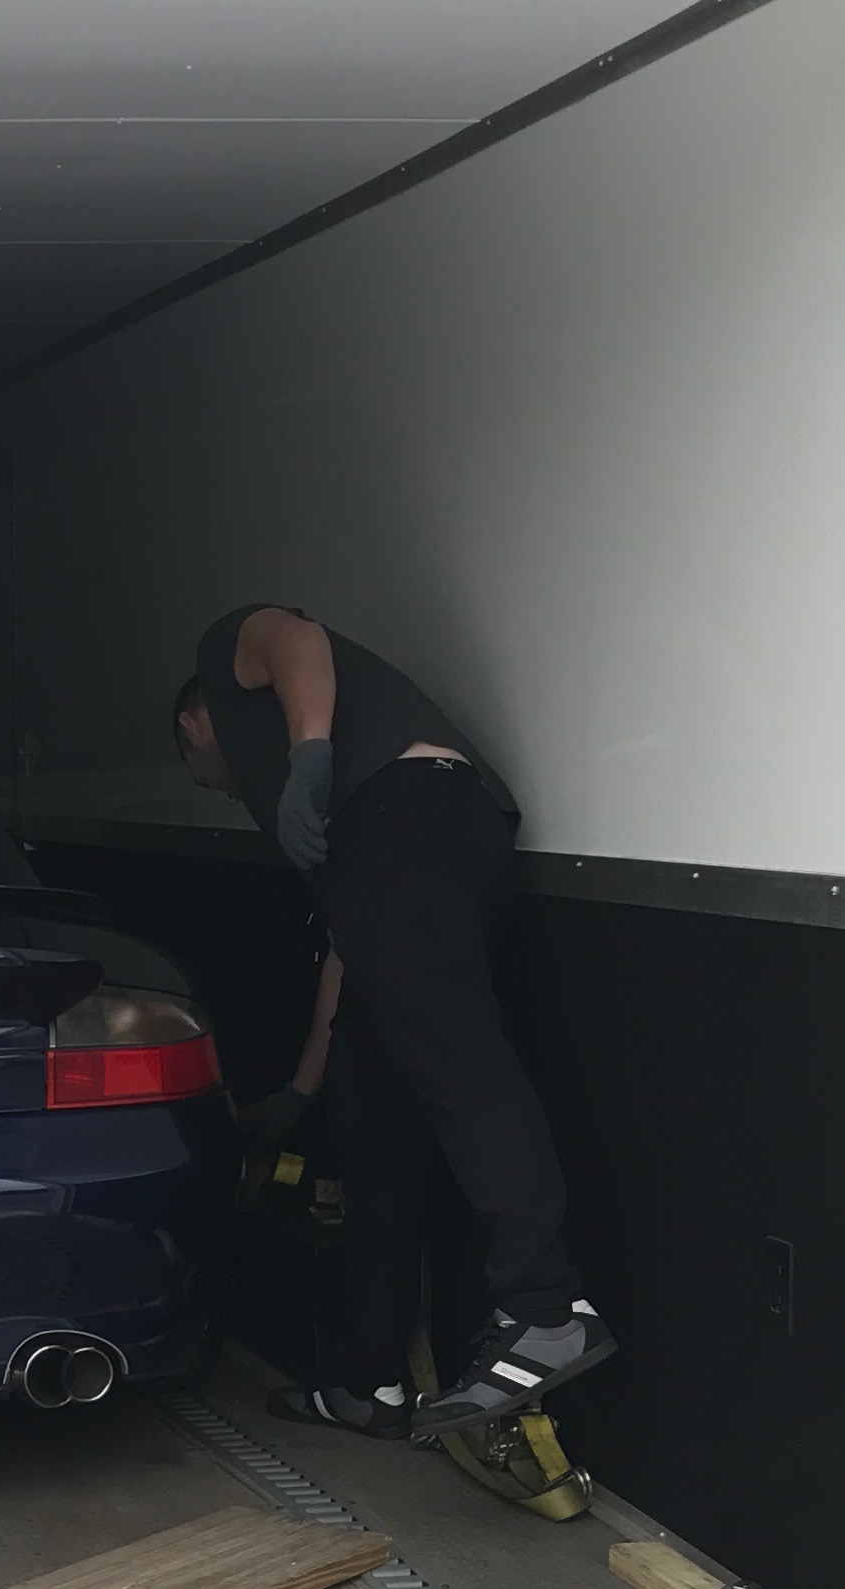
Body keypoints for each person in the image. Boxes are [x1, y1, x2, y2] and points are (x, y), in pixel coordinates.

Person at [172, 604, 612, 1438]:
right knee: (373, 1104)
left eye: (211, 777)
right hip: (415, 848)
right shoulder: (343, 831)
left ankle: (545, 1309)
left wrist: (308, 759)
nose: (231, 792)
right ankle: (368, 1378)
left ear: (194, 727)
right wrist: (303, 1089)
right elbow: (355, 954)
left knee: (460, 1062)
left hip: (410, 816)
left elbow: (296, 638)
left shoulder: (223, 651)